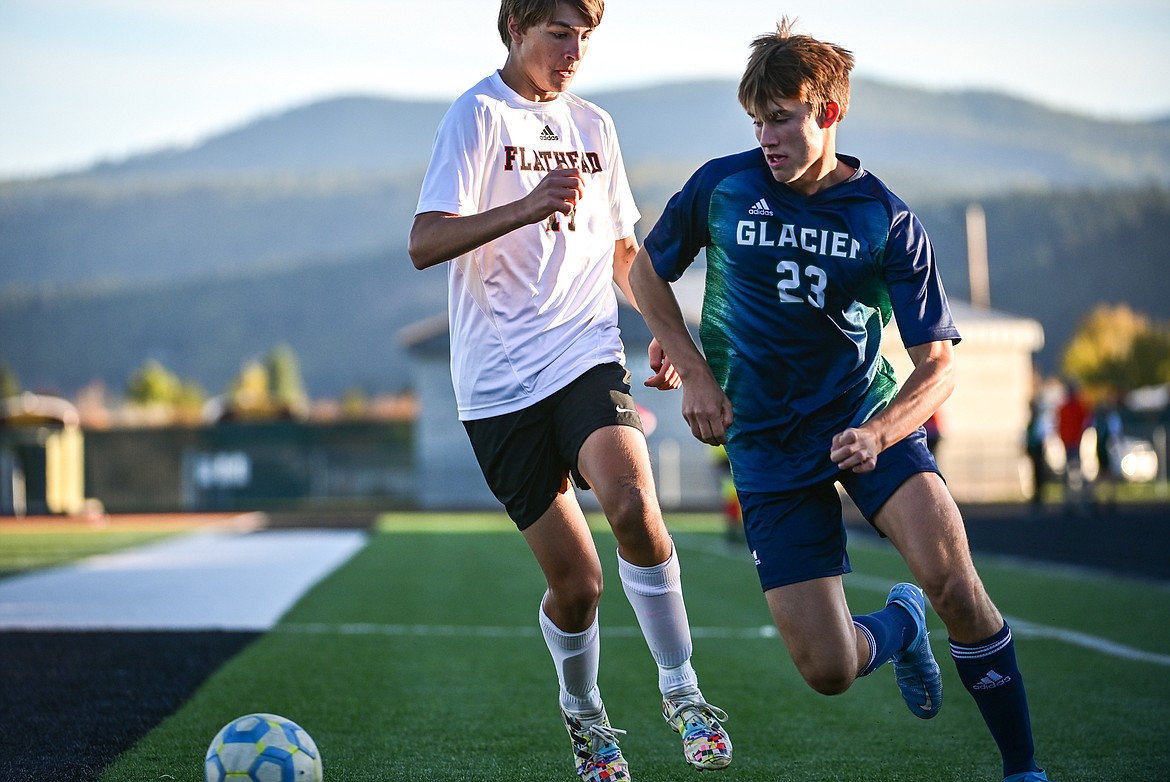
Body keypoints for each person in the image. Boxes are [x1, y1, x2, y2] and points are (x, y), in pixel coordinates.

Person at [628, 19, 1051, 782]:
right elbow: (644, 276)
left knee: (956, 580)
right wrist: (692, 367)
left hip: (866, 423)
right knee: (826, 668)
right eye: (756, 120)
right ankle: (899, 626)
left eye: (782, 118)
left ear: (828, 112)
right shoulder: (721, 186)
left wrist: (883, 432)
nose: (766, 137)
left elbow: (939, 368)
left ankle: (1023, 769)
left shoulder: (885, 219)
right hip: (762, 443)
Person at [407, 2, 731, 780]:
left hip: (585, 354)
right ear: (516, 26)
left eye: (585, 36)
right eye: (560, 32)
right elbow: (424, 242)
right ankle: (585, 715)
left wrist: (667, 331)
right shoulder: (476, 115)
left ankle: (683, 691)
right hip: (496, 388)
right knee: (577, 584)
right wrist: (524, 205)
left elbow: (625, 252)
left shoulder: (596, 127)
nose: (575, 50)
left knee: (633, 503)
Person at [1056, 381, 1092, 513]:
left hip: (1077, 443)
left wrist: (1080, 437)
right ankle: (1069, 502)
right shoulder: (1064, 408)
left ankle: (1081, 502)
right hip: (1068, 443)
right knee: (1068, 474)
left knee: (1078, 473)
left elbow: (1087, 422)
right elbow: (1060, 426)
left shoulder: (1079, 407)